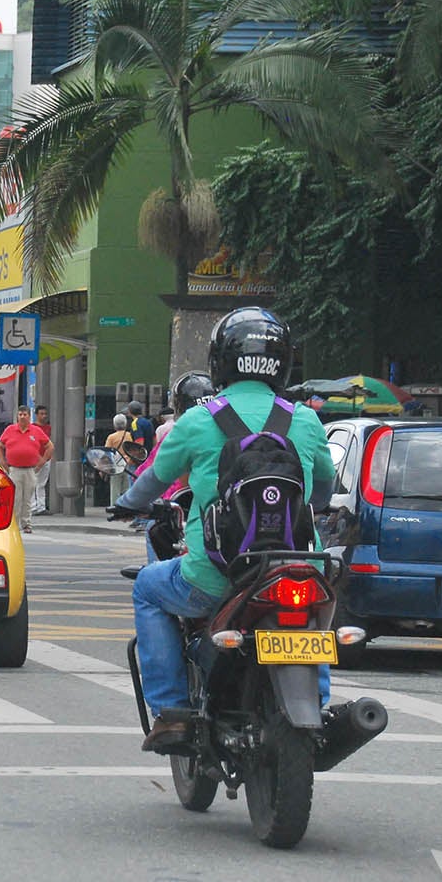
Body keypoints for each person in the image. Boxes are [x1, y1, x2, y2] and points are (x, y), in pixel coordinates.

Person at [118, 308, 335, 751]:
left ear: (220, 362)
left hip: (215, 577)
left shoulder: (198, 420)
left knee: (147, 587)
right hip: (295, 567)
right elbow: (326, 488)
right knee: (312, 618)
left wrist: (126, 504)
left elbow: (155, 480)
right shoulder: (306, 420)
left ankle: (172, 711)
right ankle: (322, 706)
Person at [0, 404, 53, 534]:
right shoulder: (10, 430)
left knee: (28, 498)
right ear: (17, 416)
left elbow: (50, 446)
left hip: (30, 470)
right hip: (14, 469)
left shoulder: (36, 431)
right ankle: (14, 524)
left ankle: (26, 523)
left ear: (29, 416)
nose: (22, 417)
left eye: (25, 414)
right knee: (16, 498)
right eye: (20, 414)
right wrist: (2, 462)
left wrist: (42, 461)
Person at [104, 413, 134, 501]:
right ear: (125, 424)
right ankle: (126, 508)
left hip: (115, 465)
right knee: (127, 489)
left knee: (115, 490)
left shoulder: (111, 437)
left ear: (114, 425)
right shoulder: (130, 435)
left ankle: (115, 508)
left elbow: (107, 453)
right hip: (128, 464)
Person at [31, 405, 53, 515]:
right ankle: (33, 506)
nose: (44, 416)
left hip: (46, 459)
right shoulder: (32, 428)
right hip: (35, 459)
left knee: (41, 483)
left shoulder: (48, 428)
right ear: (36, 415)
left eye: (45, 414)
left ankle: (41, 506)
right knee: (33, 482)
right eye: (41, 414)